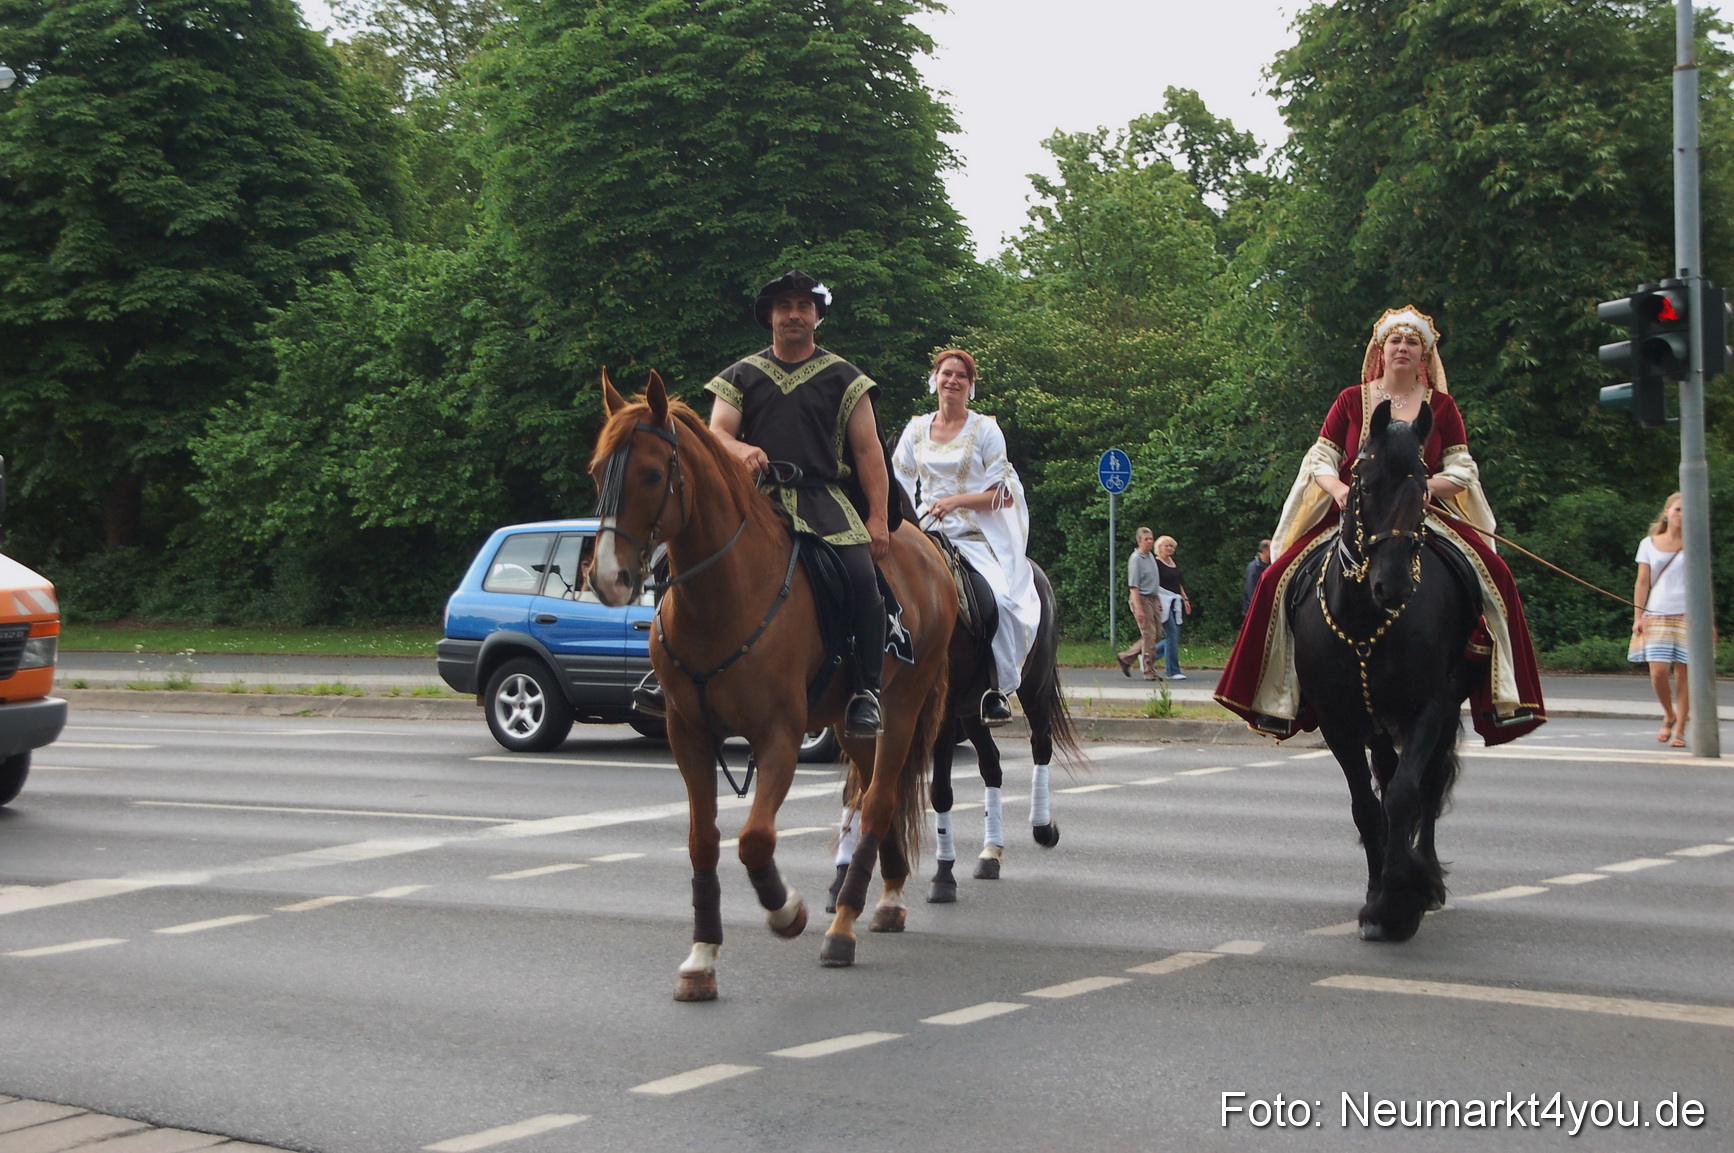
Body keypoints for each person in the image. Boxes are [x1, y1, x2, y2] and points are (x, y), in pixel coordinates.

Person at [1215, 305, 1546, 745]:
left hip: (1421, 512)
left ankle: (1496, 687)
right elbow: (1321, 456)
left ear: (1424, 355)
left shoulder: (1442, 407)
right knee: (1278, 577)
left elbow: (1462, 467)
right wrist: (1336, 490)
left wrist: (1428, 489)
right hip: (1357, 511)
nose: (1403, 348)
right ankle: (1281, 693)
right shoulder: (1352, 399)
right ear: (1381, 350)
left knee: (1495, 575)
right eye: (1396, 341)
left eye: (1412, 342)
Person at [632, 270, 891, 740]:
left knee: (861, 578)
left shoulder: (846, 378)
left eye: (803, 307)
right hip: (756, 501)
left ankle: (866, 691)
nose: (794, 314)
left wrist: (876, 516)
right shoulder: (741, 375)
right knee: (670, 563)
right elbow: (718, 433)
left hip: (823, 500)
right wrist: (741, 451)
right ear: (770, 316)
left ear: (816, 316)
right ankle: (664, 675)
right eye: (785, 306)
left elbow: (869, 452)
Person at [892, 348, 1035, 724]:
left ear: (970, 386)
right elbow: (899, 483)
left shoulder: (985, 429)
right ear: (934, 379)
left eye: (961, 376)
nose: (952, 380)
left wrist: (955, 501)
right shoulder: (916, 429)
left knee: (1001, 601)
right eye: (946, 373)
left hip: (974, 531)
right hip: (924, 527)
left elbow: (1001, 494)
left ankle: (995, 688)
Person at [1630, 492, 1689, 747]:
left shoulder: (1695, 542)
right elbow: (1642, 581)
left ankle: (1680, 730)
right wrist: (1638, 615)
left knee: (1686, 675)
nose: (1682, 515)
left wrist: (1709, 622)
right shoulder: (1649, 543)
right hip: (1656, 614)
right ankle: (1669, 713)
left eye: (1687, 510)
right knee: (1658, 673)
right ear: (1666, 512)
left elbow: (1702, 582)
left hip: (1689, 615)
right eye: (1678, 509)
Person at [1116, 528, 1162, 680]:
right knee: (1149, 635)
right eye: (1146, 539)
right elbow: (1134, 586)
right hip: (1141, 598)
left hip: (1153, 597)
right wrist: (1138, 608)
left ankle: (1126, 657)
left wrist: (1158, 600)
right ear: (1139, 541)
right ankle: (1149, 670)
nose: (1150, 541)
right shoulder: (1136, 559)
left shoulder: (1150, 557)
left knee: (1157, 634)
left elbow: (1154, 581)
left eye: (1151, 538)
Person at [1150, 535, 1191, 680]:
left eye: (1171, 546)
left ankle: (1149, 656)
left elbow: (1178, 584)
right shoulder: (1155, 563)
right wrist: (1157, 601)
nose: (1169, 548)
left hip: (1175, 601)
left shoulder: (1173, 562)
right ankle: (1172, 670)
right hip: (1162, 601)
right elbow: (1152, 583)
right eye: (1166, 546)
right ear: (1159, 547)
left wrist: (1185, 599)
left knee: (1174, 635)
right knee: (1172, 634)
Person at [1242, 539, 1271, 623]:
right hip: (1253, 613)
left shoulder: (1269, 566)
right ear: (1265, 551)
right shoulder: (1254, 568)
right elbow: (1251, 591)